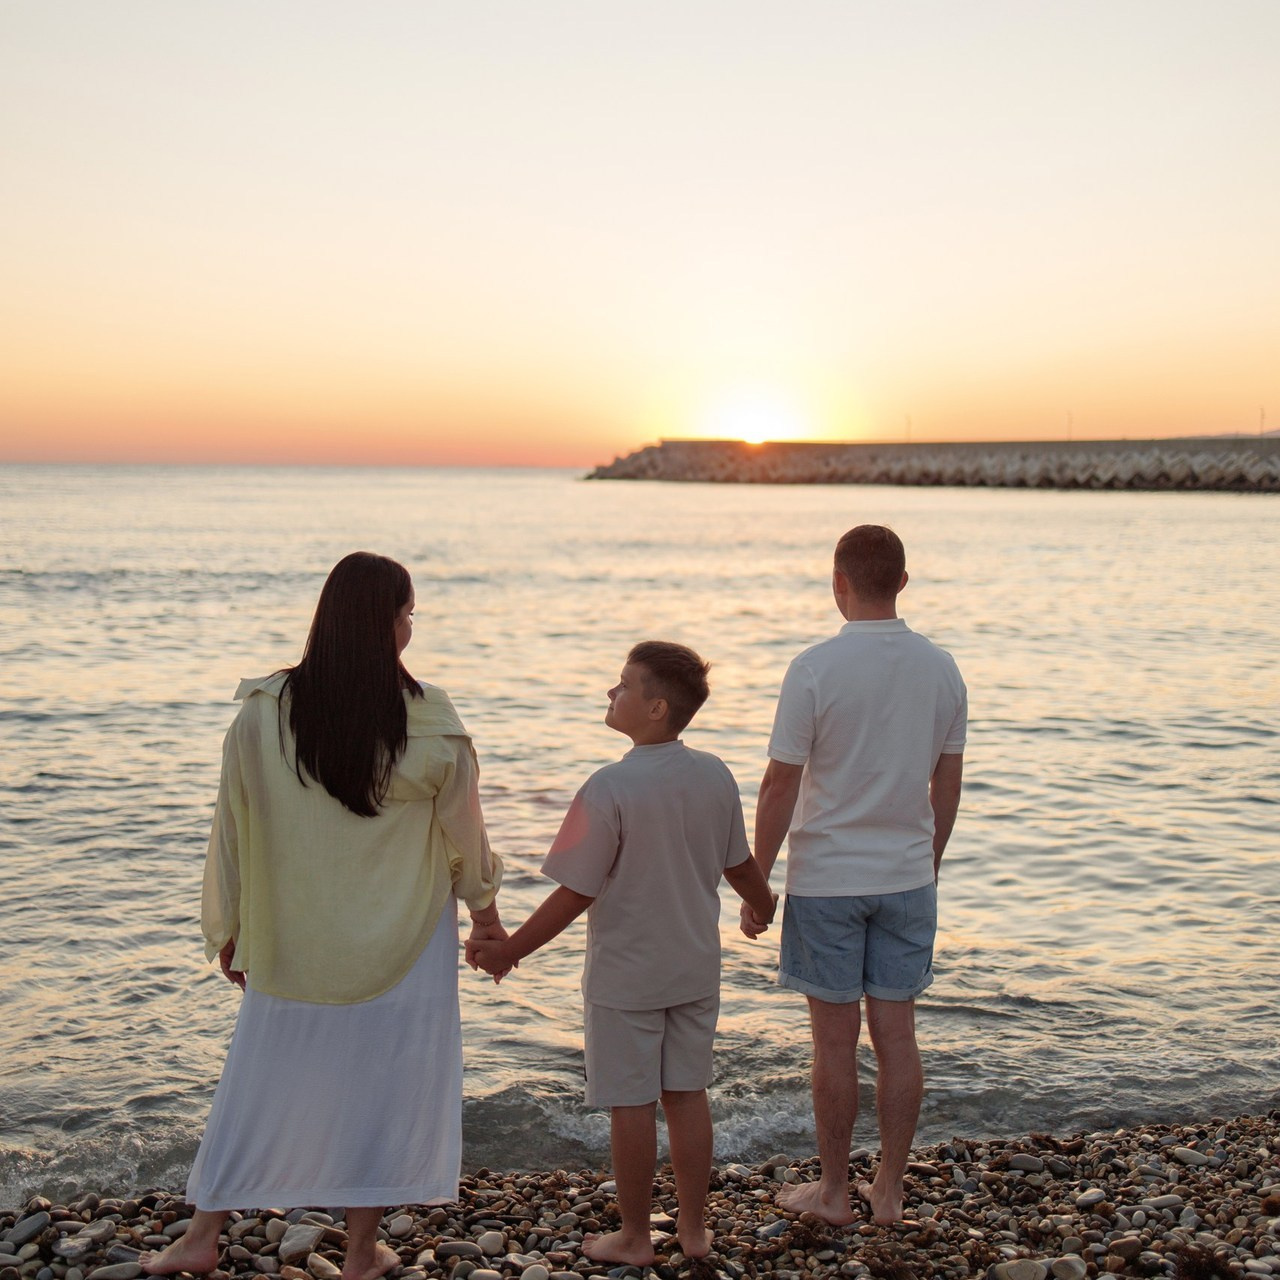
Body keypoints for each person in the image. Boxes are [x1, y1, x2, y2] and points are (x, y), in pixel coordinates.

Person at [142, 552, 504, 1280]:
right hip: (404, 940)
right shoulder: (430, 720)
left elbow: (232, 824)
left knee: (258, 1080)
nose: (410, 627)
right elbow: (464, 835)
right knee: (382, 1088)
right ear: (385, 623)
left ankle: (202, 1236)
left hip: (294, 937)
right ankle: (362, 1250)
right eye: (407, 614)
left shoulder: (263, 712)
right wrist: (487, 919)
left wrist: (230, 925)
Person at [468, 641, 776, 1267]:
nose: (612, 693)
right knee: (687, 1095)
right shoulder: (714, 773)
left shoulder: (608, 786)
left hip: (625, 979)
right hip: (694, 968)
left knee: (632, 1104)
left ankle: (635, 1235)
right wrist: (763, 905)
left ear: (657, 708)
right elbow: (739, 863)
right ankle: (693, 1229)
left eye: (624, 685)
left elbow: (575, 890)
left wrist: (510, 950)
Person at [741, 525, 966, 1227]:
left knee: (833, 1043)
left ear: (838, 583)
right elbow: (947, 782)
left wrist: (757, 883)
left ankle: (836, 1192)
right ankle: (889, 1191)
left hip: (827, 881)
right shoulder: (942, 668)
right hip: (906, 877)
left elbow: (779, 783)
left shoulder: (814, 668)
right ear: (903, 582)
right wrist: (928, 862)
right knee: (897, 1036)